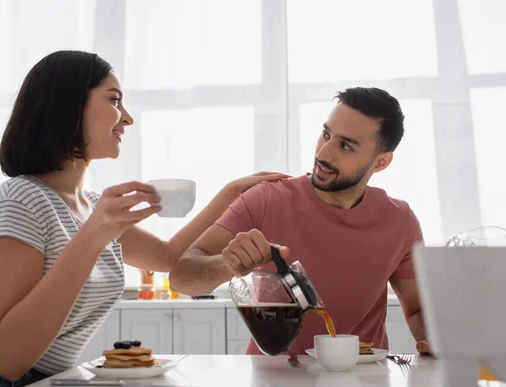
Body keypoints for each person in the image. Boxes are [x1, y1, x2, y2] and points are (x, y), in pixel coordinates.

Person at [0, 50, 287, 387]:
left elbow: (172, 257)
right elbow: (7, 358)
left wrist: (230, 194)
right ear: (68, 105)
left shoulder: (90, 208)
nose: (128, 117)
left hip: (38, 384)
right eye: (114, 99)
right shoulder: (20, 201)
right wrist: (93, 237)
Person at [170, 87, 432, 356]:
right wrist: (228, 264)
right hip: (273, 381)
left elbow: (417, 310)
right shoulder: (266, 199)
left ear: (381, 162)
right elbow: (181, 278)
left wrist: (437, 342)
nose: (324, 153)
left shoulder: (400, 222)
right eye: (325, 134)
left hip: (362, 380)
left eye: (345, 146)